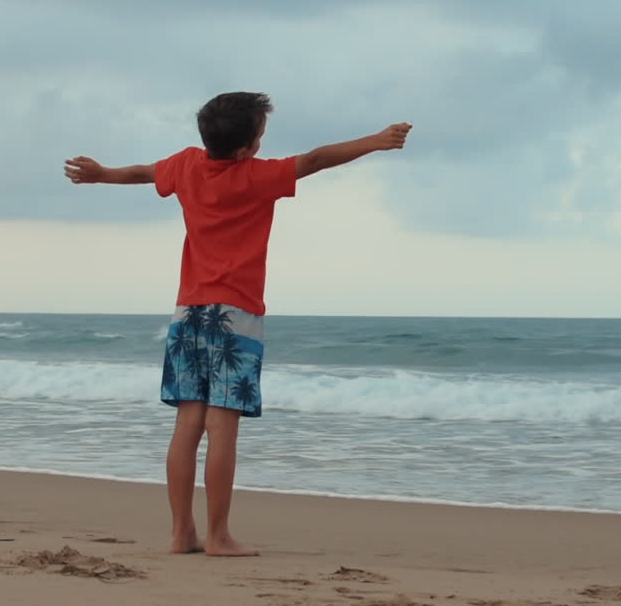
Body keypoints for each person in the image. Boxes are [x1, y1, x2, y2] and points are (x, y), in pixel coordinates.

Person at [64, 92, 410, 556]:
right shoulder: (256, 176)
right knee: (222, 426)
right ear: (246, 149)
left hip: (188, 312)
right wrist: (376, 141)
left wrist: (101, 174)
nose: (263, 143)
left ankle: (181, 533)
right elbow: (315, 160)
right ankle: (219, 536)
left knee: (188, 422)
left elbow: (144, 173)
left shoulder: (186, 165)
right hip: (236, 315)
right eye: (261, 135)